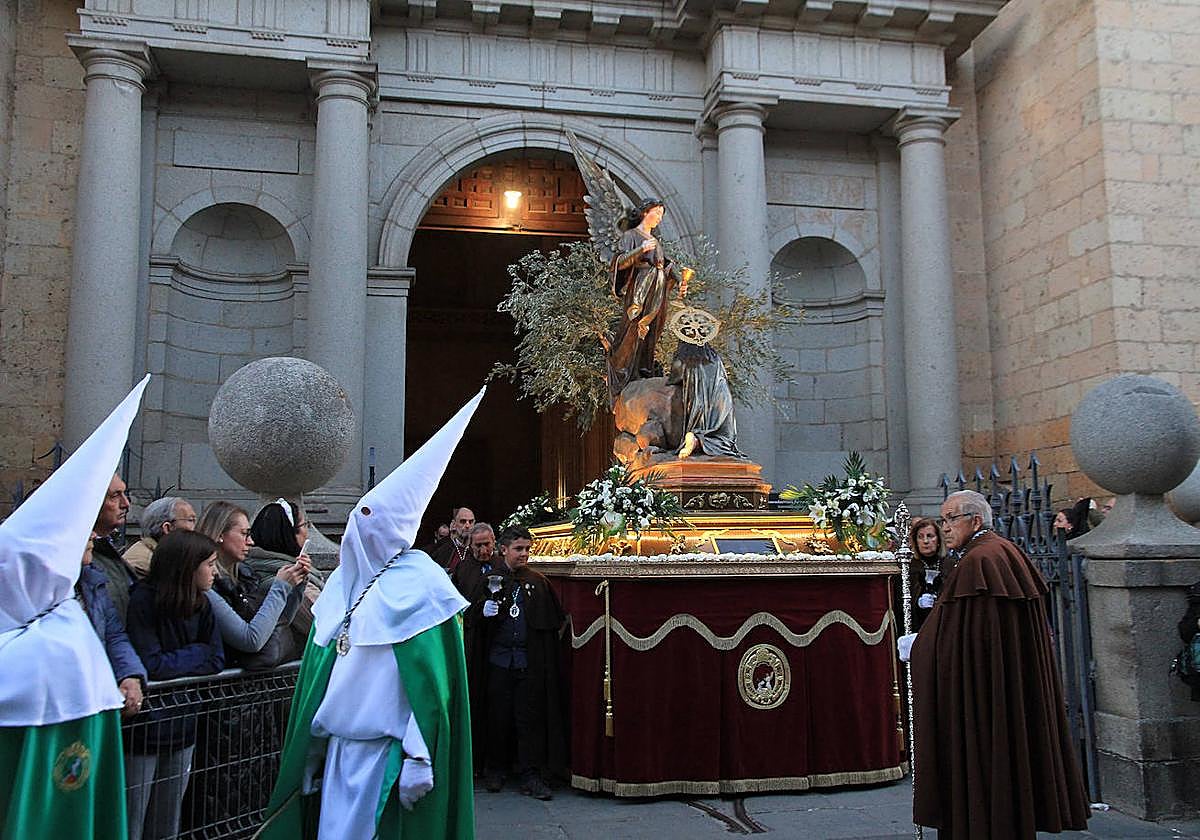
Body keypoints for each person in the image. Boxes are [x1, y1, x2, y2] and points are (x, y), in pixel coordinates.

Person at [260, 388, 484, 840]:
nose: (354, 532)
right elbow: (320, 679)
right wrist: (312, 749)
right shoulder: (342, 586)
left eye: (367, 520)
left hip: (389, 757)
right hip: (339, 752)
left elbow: (431, 691)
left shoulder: (423, 589)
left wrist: (421, 756)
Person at [0, 375, 149, 839]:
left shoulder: (70, 611)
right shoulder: (46, 637)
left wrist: (128, 674)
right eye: (114, 497)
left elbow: (112, 633)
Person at [905, 490, 1089, 839]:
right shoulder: (1000, 551)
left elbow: (965, 639)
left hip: (984, 695)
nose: (944, 528)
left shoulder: (980, 560)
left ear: (974, 521)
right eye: (942, 520)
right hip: (1003, 687)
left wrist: (919, 647)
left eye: (950, 519)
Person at [125, 529, 226, 840]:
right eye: (209, 564)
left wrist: (185, 658)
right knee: (134, 818)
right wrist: (197, 652)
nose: (215, 571)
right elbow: (151, 663)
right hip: (146, 727)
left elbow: (216, 659)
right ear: (187, 567)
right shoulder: (144, 600)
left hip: (183, 723)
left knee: (167, 820)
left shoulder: (203, 604)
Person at [476, 526, 567, 800]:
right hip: (499, 661)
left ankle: (531, 773)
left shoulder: (538, 582)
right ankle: (496, 769)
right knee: (498, 717)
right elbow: (472, 619)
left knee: (529, 719)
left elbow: (551, 624)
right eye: (519, 549)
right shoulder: (490, 580)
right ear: (503, 549)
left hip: (528, 662)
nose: (524, 554)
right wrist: (482, 611)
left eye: (527, 549)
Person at [196, 500, 308, 669]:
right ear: (220, 535)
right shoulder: (206, 587)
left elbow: (277, 622)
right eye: (244, 534)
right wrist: (280, 587)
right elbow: (251, 639)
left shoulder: (246, 576)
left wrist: (298, 584)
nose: (251, 542)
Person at [606, 198, 689, 406]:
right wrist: (640, 249)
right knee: (635, 328)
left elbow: (666, 266)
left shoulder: (656, 242)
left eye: (662, 214)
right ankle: (626, 371)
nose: (659, 218)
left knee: (653, 331)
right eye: (657, 212)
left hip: (657, 290)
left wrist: (680, 280)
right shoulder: (631, 236)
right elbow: (619, 262)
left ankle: (644, 368)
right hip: (640, 290)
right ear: (645, 212)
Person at [80, 534, 147, 720]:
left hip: (92, 707)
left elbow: (114, 635)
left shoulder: (92, 580)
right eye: (86, 526)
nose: (93, 535)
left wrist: (130, 676)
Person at [451, 522, 500, 770]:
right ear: (470, 546)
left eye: (487, 544)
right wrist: (478, 610)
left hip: (498, 641)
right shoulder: (464, 569)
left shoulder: (501, 565)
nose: (483, 550)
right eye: (478, 545)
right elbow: (459, 604)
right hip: (474, 641)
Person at [247, 497, 325, 637]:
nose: (307, 532)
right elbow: (328, 624)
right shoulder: (291, 578)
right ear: (289, 535)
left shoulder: (252, 567)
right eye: (304, 525)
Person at [89, 472, 138, 622]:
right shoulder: (79, 556)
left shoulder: (106, 547)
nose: (126, 503)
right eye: (115, 496)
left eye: (124, 494)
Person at [124, 496, 197, 580]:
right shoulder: (143, 564)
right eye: (191, 520)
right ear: (168, 528)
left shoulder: (161, 554)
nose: (195, 529)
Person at [898, 516, 947, 633]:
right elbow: (899, 603)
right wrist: (917, 602)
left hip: (943, 625)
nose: (925, 541)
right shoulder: (908, 567)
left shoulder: (949, 564)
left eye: (930, 536)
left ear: (939, 540)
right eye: (920, 537)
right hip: (918, 628)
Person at [433, 506, 476, 572]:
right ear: (454, 524)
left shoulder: (479, 548)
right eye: (463, 521)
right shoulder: (442, 551)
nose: (467, 526)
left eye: (471, 522)